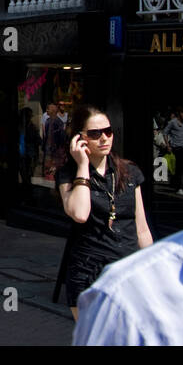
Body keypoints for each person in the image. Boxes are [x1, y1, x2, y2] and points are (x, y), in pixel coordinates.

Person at [56, 104, 152, 319]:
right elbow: (79, 214)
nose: (104, 138)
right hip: (89, 273)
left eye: (108, 131)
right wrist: (82, 166)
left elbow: (142, 229)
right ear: (80, 138)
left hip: (127, 271)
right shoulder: (68, 175)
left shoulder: (129, 173)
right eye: (95, 133)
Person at [73, 198, 183, 345]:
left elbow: (142, 229)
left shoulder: (131, 177)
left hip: (125, 253)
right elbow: (79, 213)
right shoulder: (124, 299)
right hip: (94, 260)